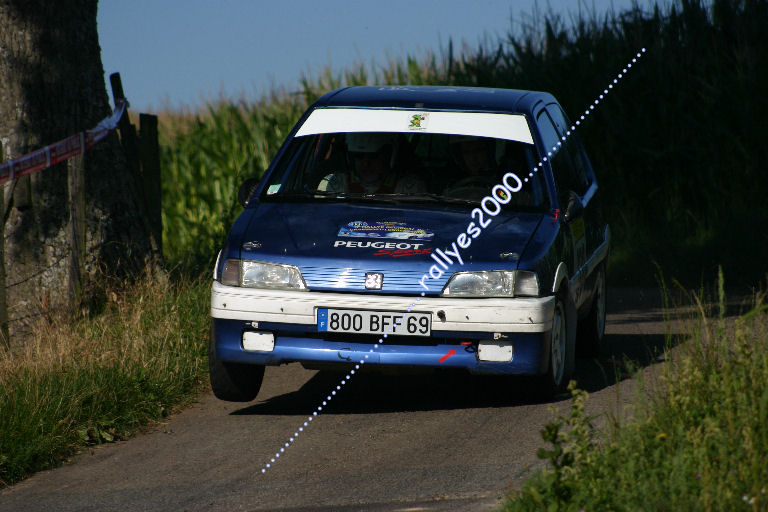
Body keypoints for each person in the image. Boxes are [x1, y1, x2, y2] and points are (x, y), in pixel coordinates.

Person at [317, 133, 425, 194]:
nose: (366, 164)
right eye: (359, 156)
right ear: (350, 159)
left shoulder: (409, 188)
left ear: (388, 156)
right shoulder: (334, 185)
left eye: (373, 157)